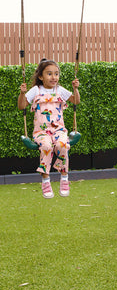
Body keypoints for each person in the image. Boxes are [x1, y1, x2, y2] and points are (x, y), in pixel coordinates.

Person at [18, 59, 80, 199]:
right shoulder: (36, 90)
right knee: (46, 146)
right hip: (41, 132)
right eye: (49, 74)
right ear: (41, 76)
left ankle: (64, 177)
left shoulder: (60, 90)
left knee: (62, 145)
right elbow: (22, 106)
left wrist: (75, 89)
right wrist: (22, 93)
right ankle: (46, 181)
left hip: (59, 130)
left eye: (56, 74)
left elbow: (76, 101)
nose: (54, 77)